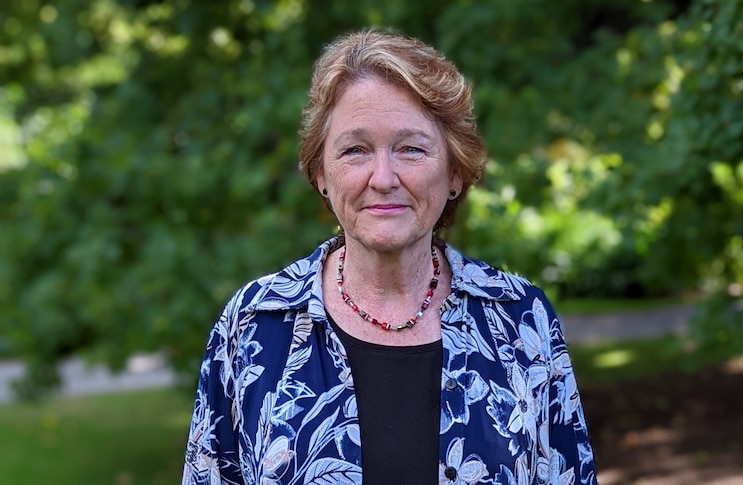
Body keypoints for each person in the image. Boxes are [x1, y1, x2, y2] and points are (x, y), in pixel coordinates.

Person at [182, 30, 598, 485]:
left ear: (455, 171)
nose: (383, 178)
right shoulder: (255, 324)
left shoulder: (519, 320)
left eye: (411, 149)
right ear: (322, 172)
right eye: (356, 150)